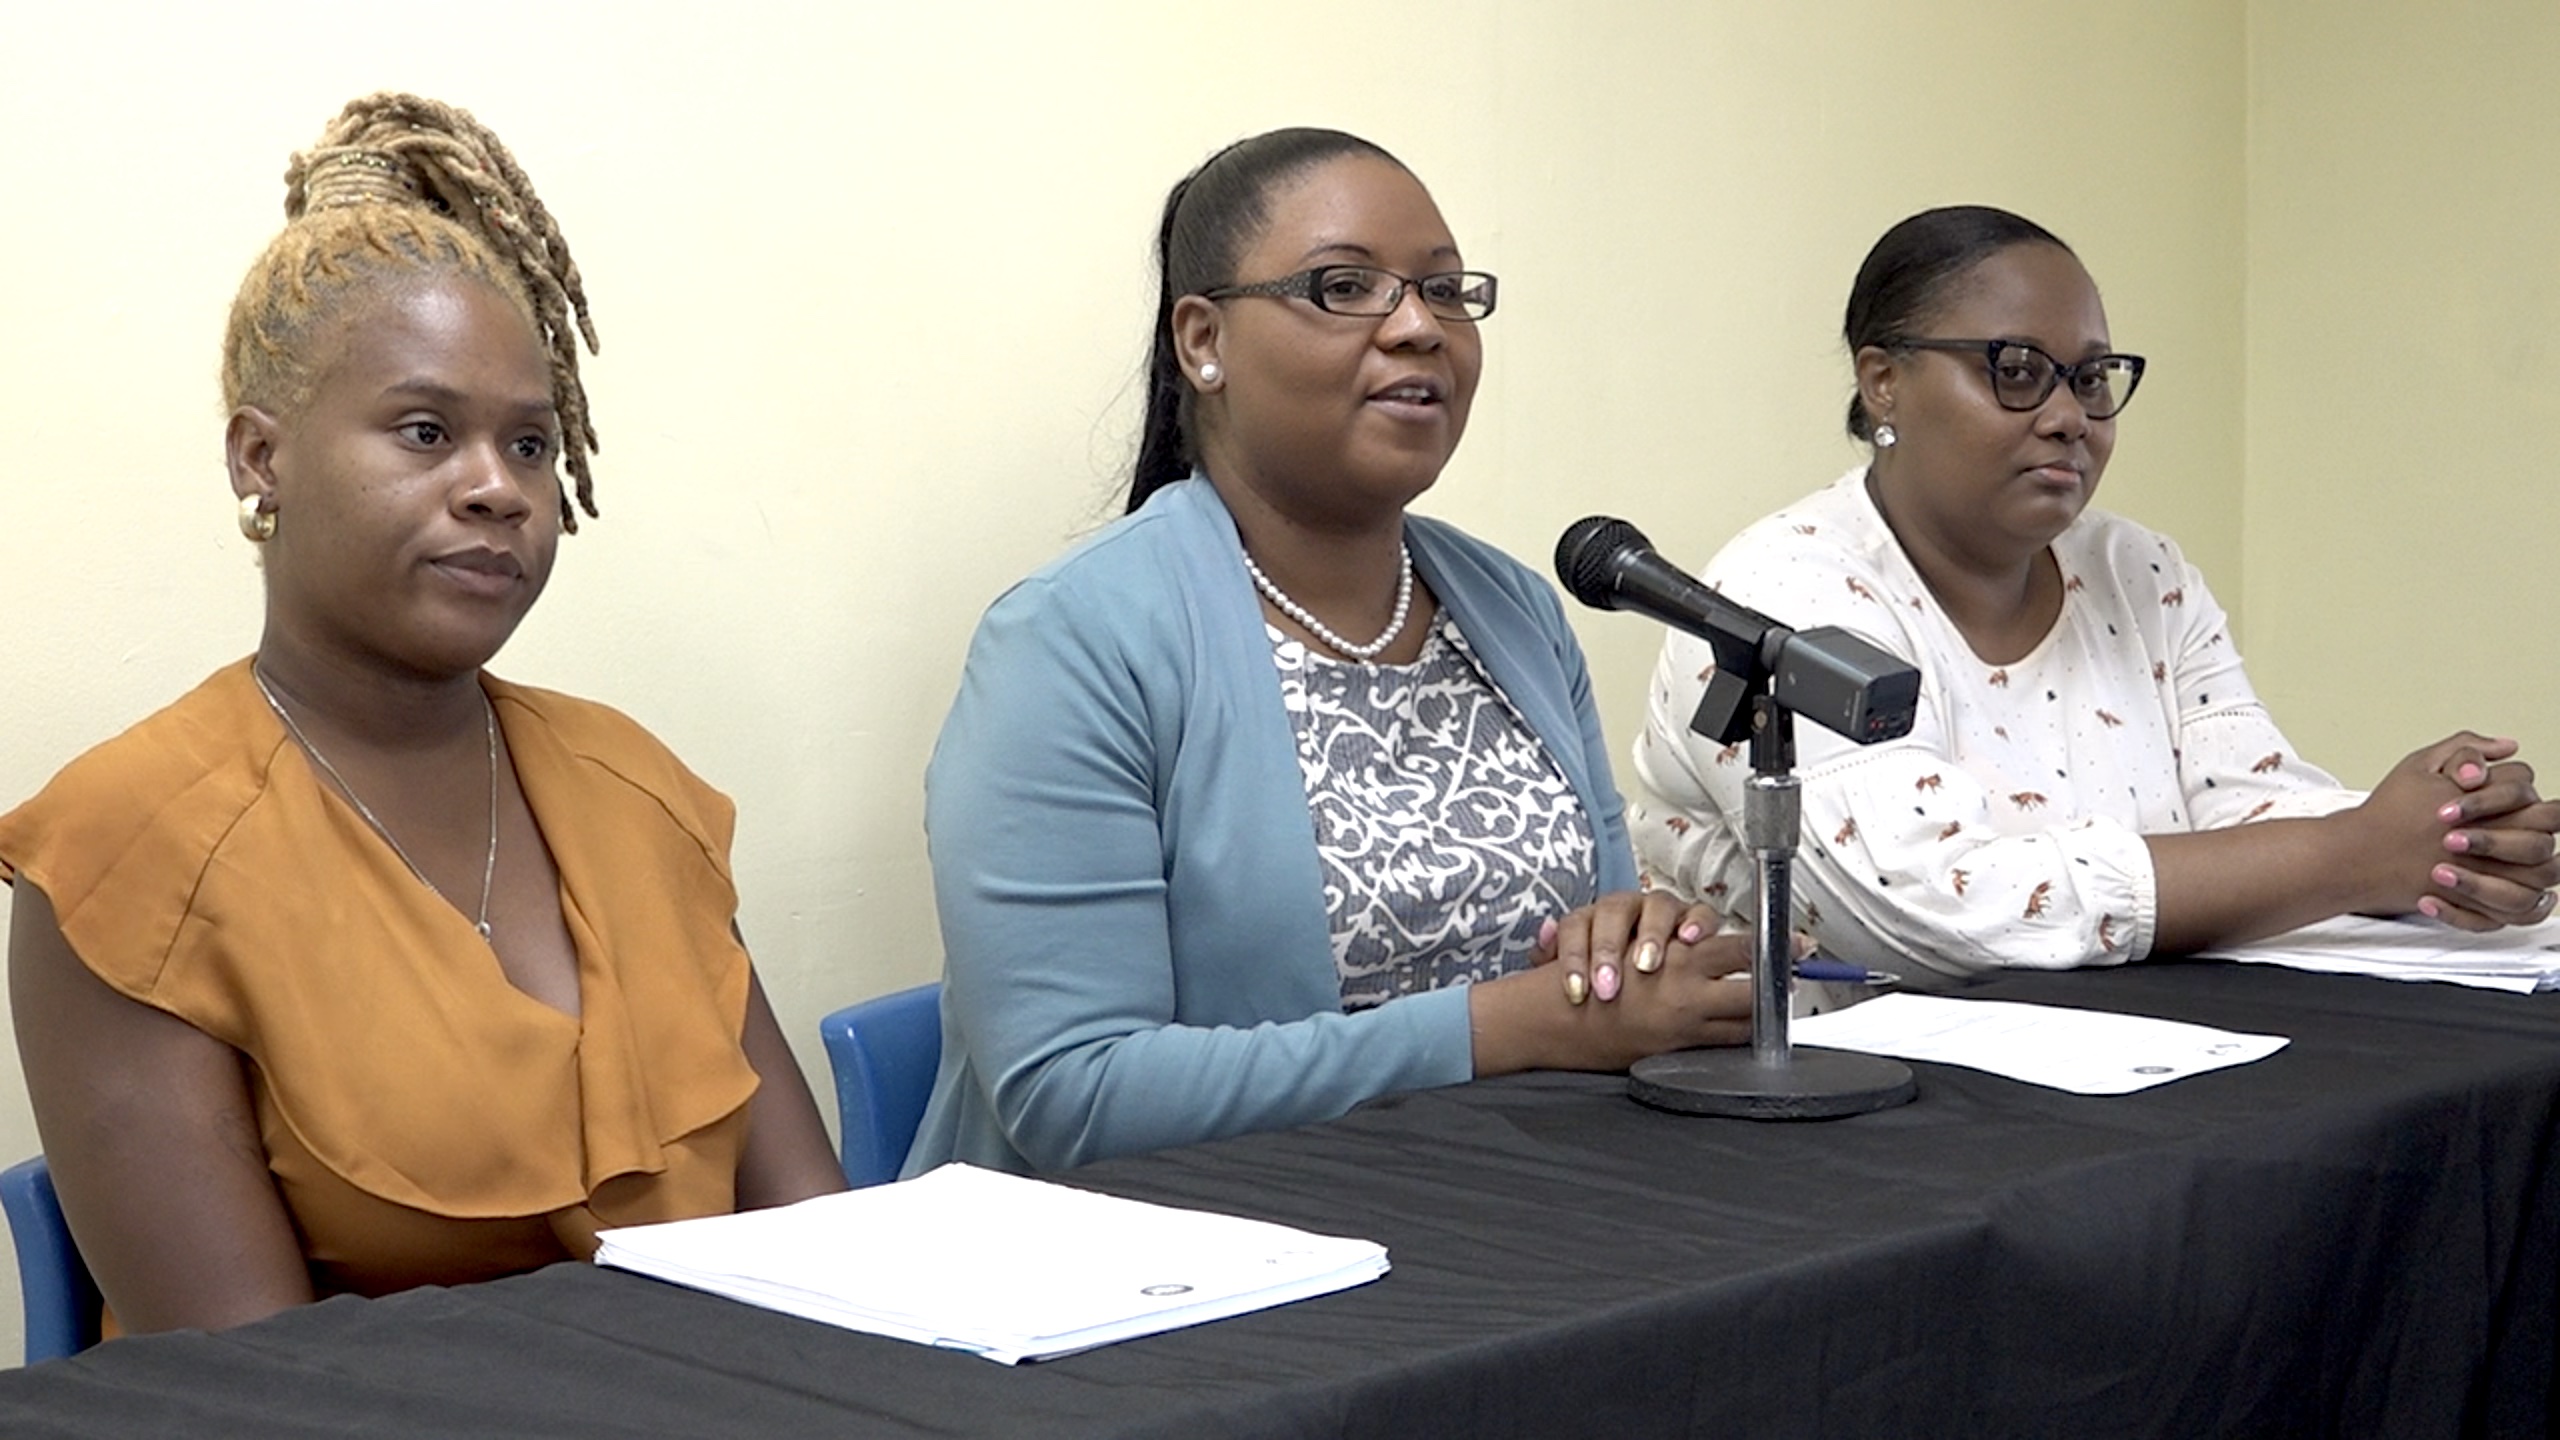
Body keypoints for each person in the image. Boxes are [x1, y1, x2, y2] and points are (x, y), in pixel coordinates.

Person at [0, 94, 844, 1337]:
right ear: (259, 458)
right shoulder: (129, 854)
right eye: (425, 432)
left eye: (530, 445)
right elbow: (257, 1394)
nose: (496, 489)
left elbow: (822, 1253)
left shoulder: (635, 788)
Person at [909, 128, 1752, 1176]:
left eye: (1446, 292)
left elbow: (1592, 949)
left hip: (1529, 1205)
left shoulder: (1515, 609)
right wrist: (1501, 1030)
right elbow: (1074, 1092)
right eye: (1344, 286)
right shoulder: (1072, 642)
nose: (1417, 327)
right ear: (1202, 341)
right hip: (1190, 1259)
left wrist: (1639, 953)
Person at [1629, 204, 2560, 983]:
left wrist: (2449, 839)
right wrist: (2358, 853)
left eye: (2091, 378)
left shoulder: (2139, 573)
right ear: (1883, 384)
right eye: (2017, 372)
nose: (2070, 417)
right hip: (1851, 1113)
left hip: (2138, 1068)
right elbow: (1932, 915)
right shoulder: (1787, 591)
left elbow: (2248, 813)